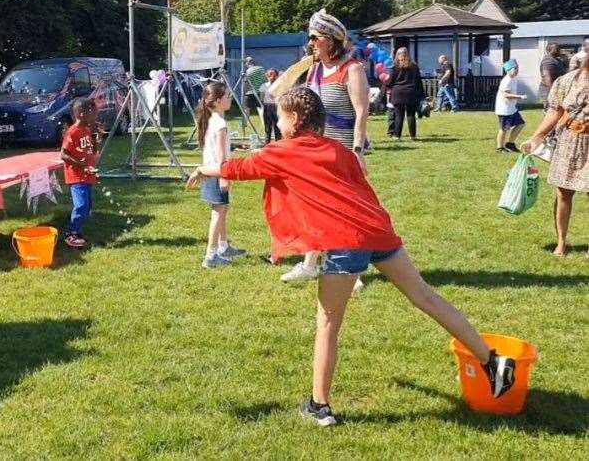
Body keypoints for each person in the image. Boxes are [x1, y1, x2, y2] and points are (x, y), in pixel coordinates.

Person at [186, 87, 517, 427]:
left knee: (328, 321)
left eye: (282, 116)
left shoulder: (282, 151)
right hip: (378, 231)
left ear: (296, 119)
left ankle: (319, 406)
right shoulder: (339, 150)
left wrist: (203, 170)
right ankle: (492, 361)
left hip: (347, 242)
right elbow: (360, 185)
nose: (278, 121)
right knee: (425, 296)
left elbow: (238, 168)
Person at [282, 9, 369, 290]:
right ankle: (310, 264)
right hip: (316, 150)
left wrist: (357, 150)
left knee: (344, 209)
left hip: (342, 148)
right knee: (314, 206)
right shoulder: (314, 69)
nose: (311, 42)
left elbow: (361, 112)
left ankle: (351, 269)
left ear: (331, 40)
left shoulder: (352, 69)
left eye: (315, 37)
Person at [521, 58, 589, 257]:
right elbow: (554, 112)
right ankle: (561, 242)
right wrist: (536, 138)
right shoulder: (567, 81)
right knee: (563, 193)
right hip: (570, 141)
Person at [196, 81, 246, 268]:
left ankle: (223, 247)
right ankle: (211, 256)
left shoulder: (212, 120)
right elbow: (221, 156)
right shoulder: (220, 124)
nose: (230, 98)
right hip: (217, 174)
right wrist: (225, 178)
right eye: (227, 96)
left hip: (211, 173)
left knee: (222, 210)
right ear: (217, 101)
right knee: (218, 213)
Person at [60, 98, 101, 248]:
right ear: (82, 114)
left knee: (87, 205)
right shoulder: (72, 132)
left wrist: (97, 138)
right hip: (77, 176)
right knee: (82, 205)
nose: (96, 116)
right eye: (93, 113)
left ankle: (76, 231)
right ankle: (70, 234)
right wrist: (82, 166)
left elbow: (93, 151)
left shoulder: (87, 130)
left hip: (87, 175)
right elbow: (63, 155)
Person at [385, 47, 423, 140]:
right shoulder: (414, 66)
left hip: (398, 93)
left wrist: (386, 84)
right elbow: (419, 81)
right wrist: (422, 95)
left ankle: (397, 136)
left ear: (397, 55)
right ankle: (413, 136)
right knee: (411, 115)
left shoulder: (394, 67)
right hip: (411, 92)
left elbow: (389, 82)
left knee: (399, 115)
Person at [495, 59, 528, 153]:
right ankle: (499, 148)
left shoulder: (514, 79)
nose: (517, 71)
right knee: (504, 129)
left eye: (517, 69)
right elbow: (506, 95)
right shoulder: (506, 81)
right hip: (504, 110)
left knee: (521, 124)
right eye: (515, 69)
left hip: (511, 109)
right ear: (508, 70)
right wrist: (520, 97)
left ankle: (510, 144)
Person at [539, 44, 568, 112]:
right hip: (549, 92)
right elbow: (547, 78)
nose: (559, 51)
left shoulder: (557, 60)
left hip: (558, 91)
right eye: (557, 49)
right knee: (552, 113)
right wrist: (555, 94)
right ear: (549, 50)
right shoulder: (548, 61)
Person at [259, 68, 281, 143]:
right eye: (269, 75)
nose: (271, 77)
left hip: (276, 105)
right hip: (267, 106)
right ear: (267, 76)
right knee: (267, 125)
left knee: (277, 125)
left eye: (273, 75)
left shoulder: (279, 85)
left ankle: (278, 141)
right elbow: (261, 97)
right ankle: (267, 142)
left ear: (277, 76)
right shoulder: (264, 85)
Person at [244, 57, 267, 125]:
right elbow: (265, 80)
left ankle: (245, 123)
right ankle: (265, 123)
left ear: (248, 63)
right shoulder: (261, 68)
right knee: (261, 109)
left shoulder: (248, 71)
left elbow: (246, 83)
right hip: (261, 92)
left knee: (247, 109)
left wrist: (244, 92)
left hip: (250, 93)